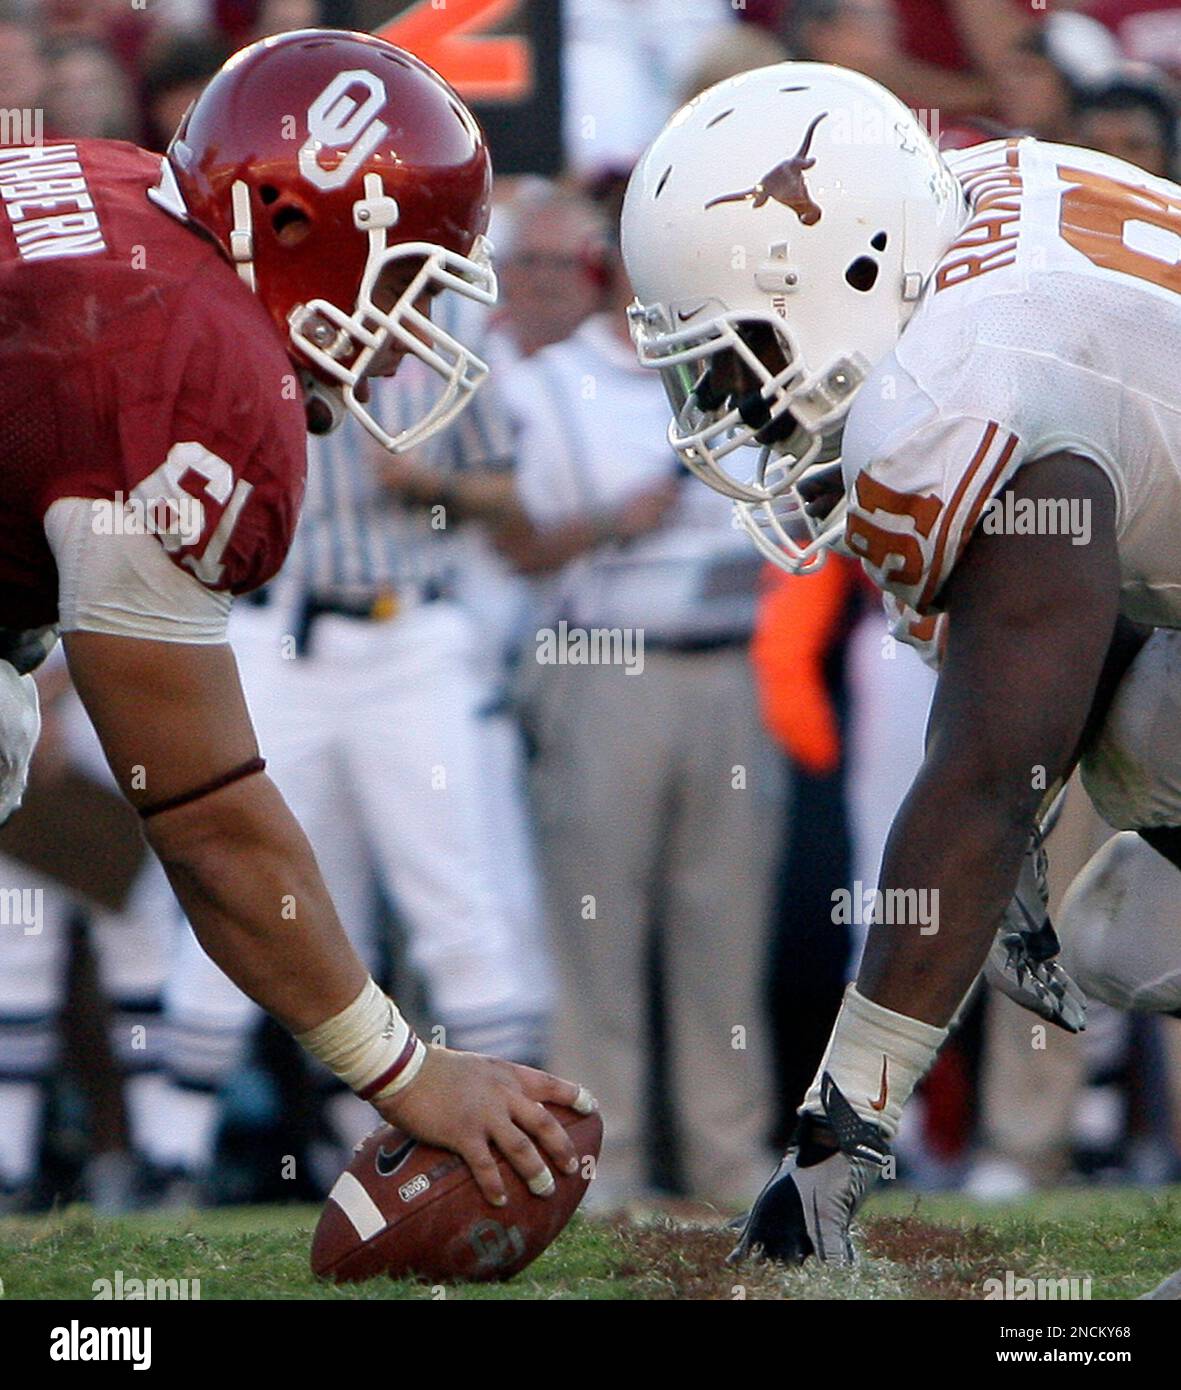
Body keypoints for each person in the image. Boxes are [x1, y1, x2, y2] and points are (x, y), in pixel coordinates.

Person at [0, 27, 592, 1212]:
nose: (403, 328)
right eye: (403, 276)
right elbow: (206, 819)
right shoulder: (194, 371)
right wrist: (401, 1069)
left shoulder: (114, 177)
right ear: (282, 223)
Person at [621, 57, 1181, 1263]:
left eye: (734, 348)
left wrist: (838, 1134)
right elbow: (1047, 637)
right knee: (1124, 915)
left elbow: (986, 778)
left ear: (847, 268)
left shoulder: (949, 384)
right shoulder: (977, 188)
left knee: (1129, 862)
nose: (729, 396)